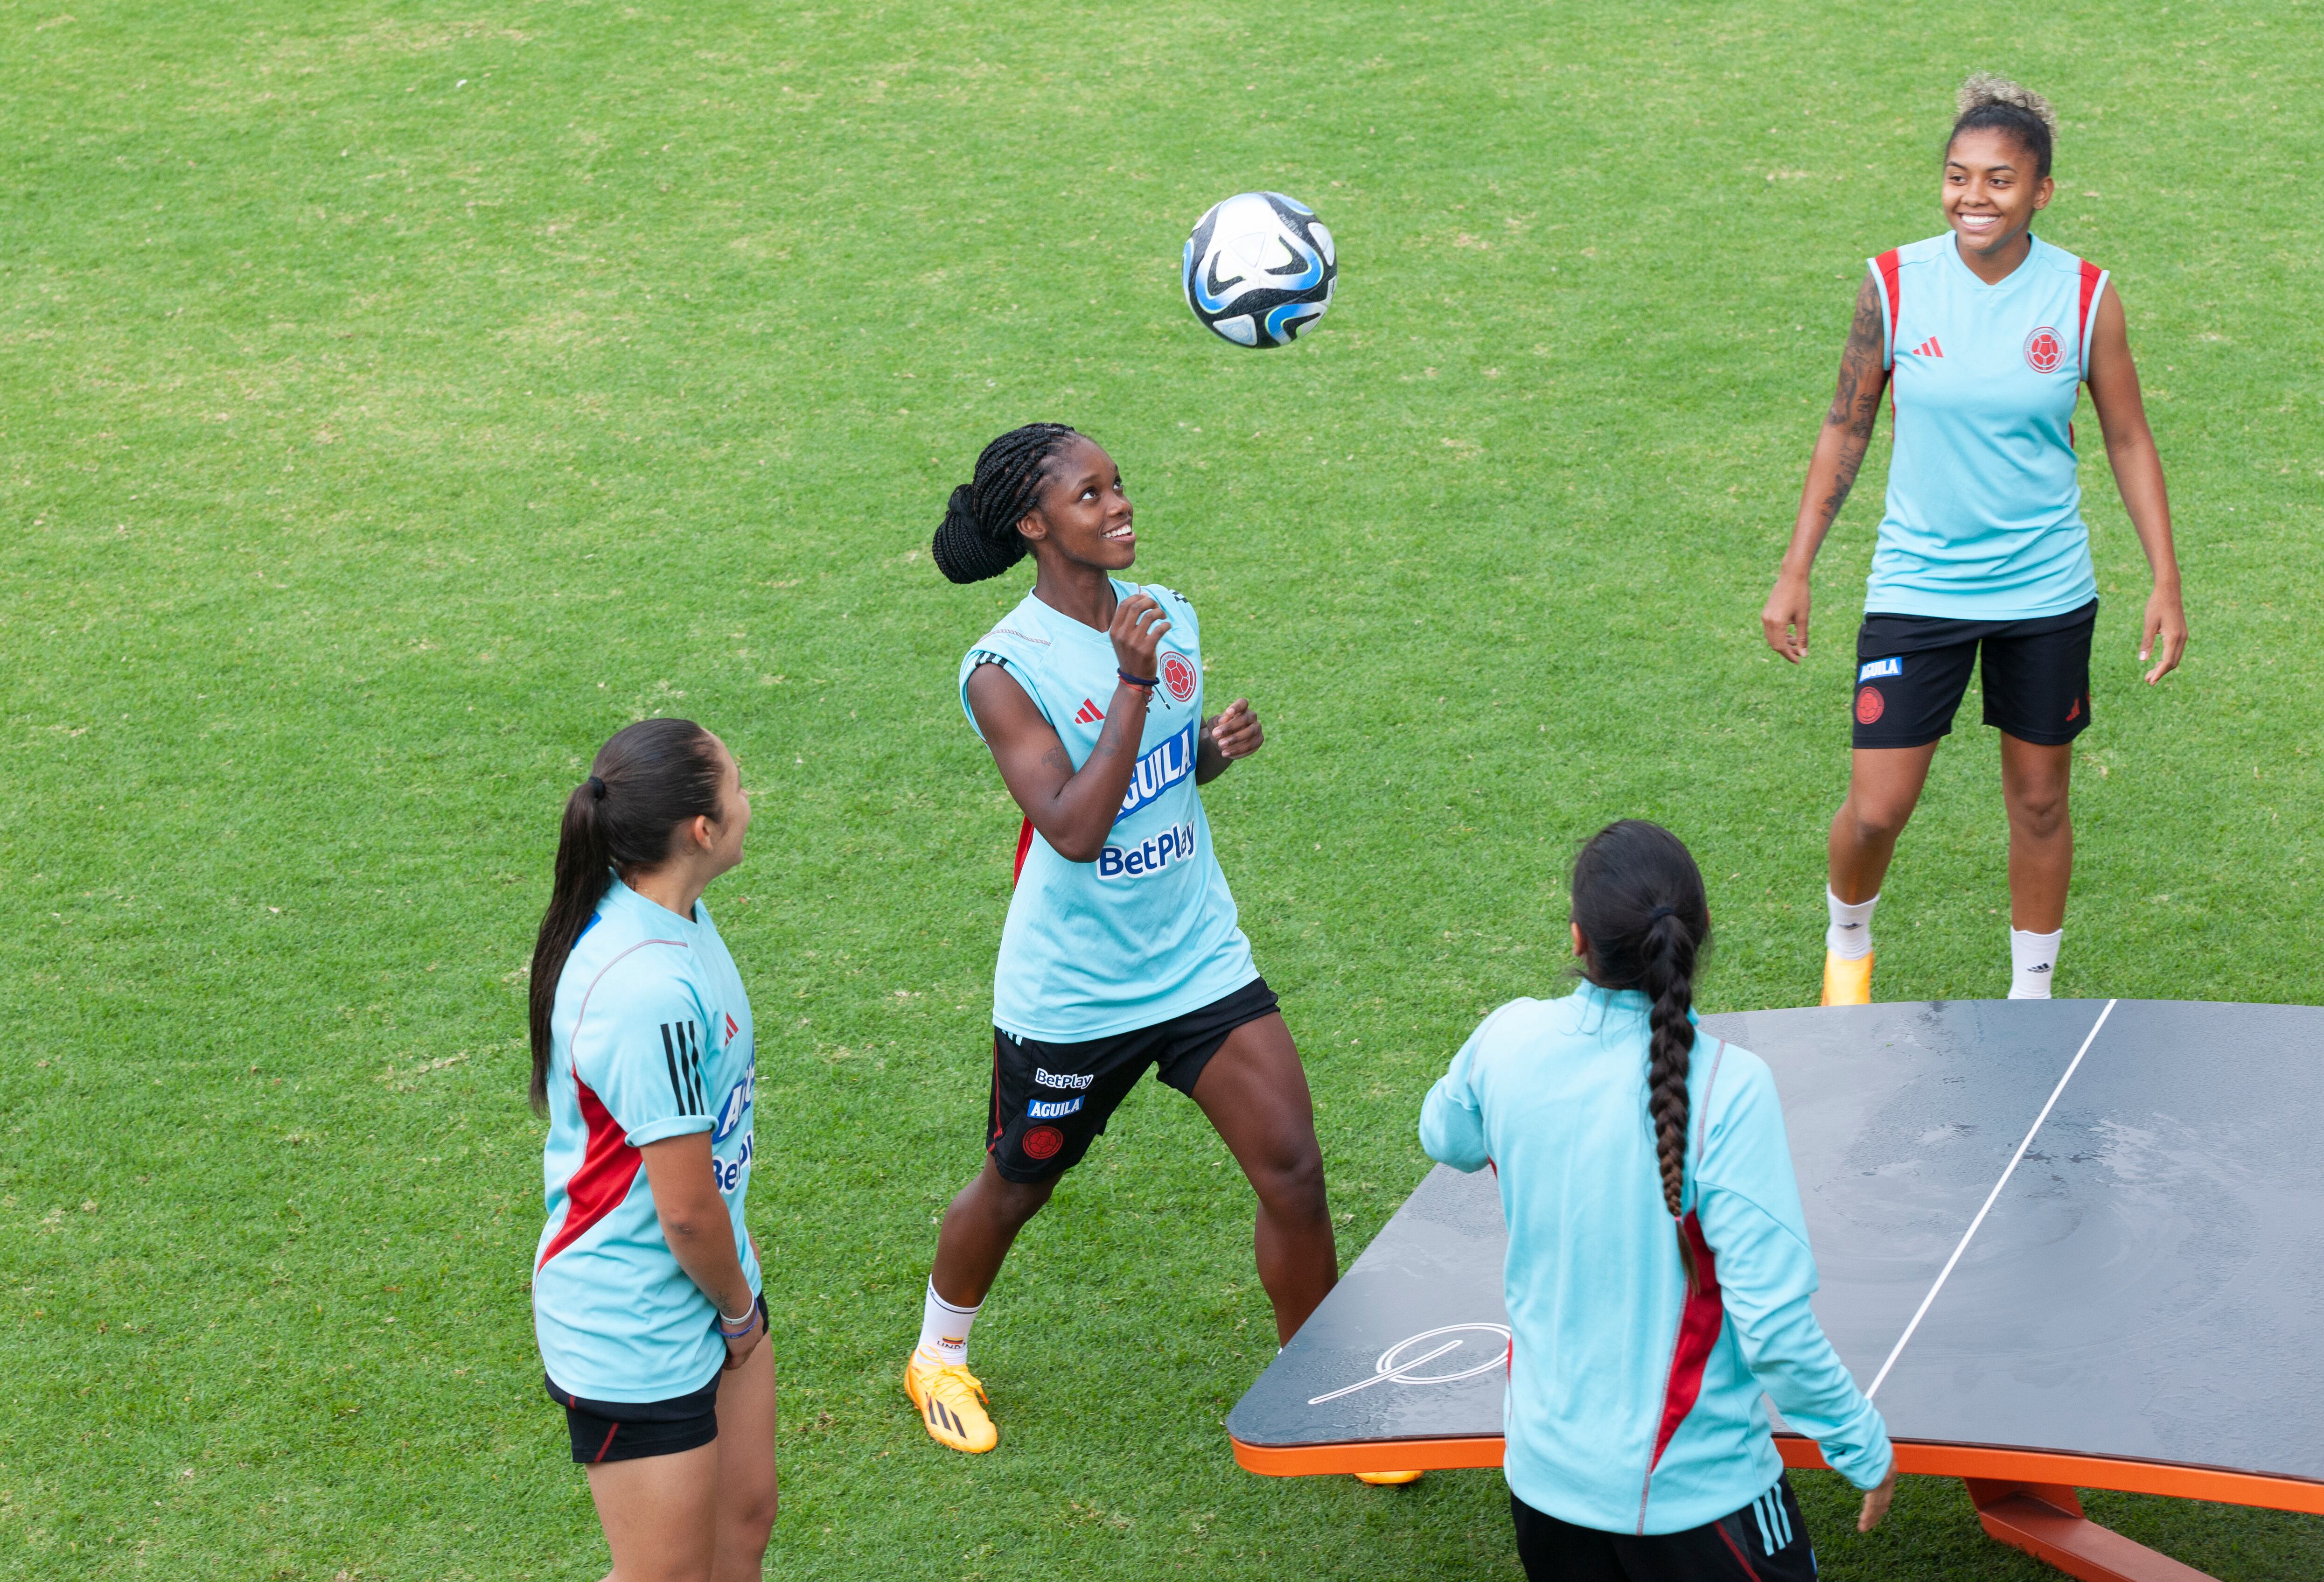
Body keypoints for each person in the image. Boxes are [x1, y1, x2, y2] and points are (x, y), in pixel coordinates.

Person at [908, 422, 1345, 1466]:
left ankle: (1320, 1387)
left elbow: (1151, 780)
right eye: (1091, 495)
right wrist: (1136, 684)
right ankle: (938, 1353)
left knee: (1293, 1169)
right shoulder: (1001, 669)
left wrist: (1207, 753)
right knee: (1017, 1182)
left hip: (1196, 958)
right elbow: (1070, 824)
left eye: (1120, 485)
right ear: (1033, 524)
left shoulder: (1166, 620)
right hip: (1076, 994)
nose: (1120, 507)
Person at [1760, 74, 2188, 1006]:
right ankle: (1847, 949)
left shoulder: (2083, 297)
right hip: (1917, 587)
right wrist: (1796, 570)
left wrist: (2165, 579)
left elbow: (2126, 438)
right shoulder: (1893, 283)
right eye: (1957, 177)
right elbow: (1846, 427)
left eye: (1998, 181)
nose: (1972, 198)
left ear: (2041, 192)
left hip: (2044, 593)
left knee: (2039, 804)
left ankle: (2029, 1000)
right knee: (1877, 812)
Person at [1421, 820, 1896, 1580]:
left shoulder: (1505, 1040)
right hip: (1699, 1501)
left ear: (1578, 939)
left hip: (1545, 1490)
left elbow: (1444, 1135)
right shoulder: (1729, 1091)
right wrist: (1860, 1445)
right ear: (1698, 937)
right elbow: (1771, 1327)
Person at [527, 718, 776, 1582]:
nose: (751, 802)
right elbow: (682, 1206)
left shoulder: (678, 916)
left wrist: (735, 1303)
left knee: (740, 1531)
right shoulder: (646, 991)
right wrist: (740, 1311)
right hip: (635, 1324)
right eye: (740, 787)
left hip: (714, 1286)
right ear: (701, 831)